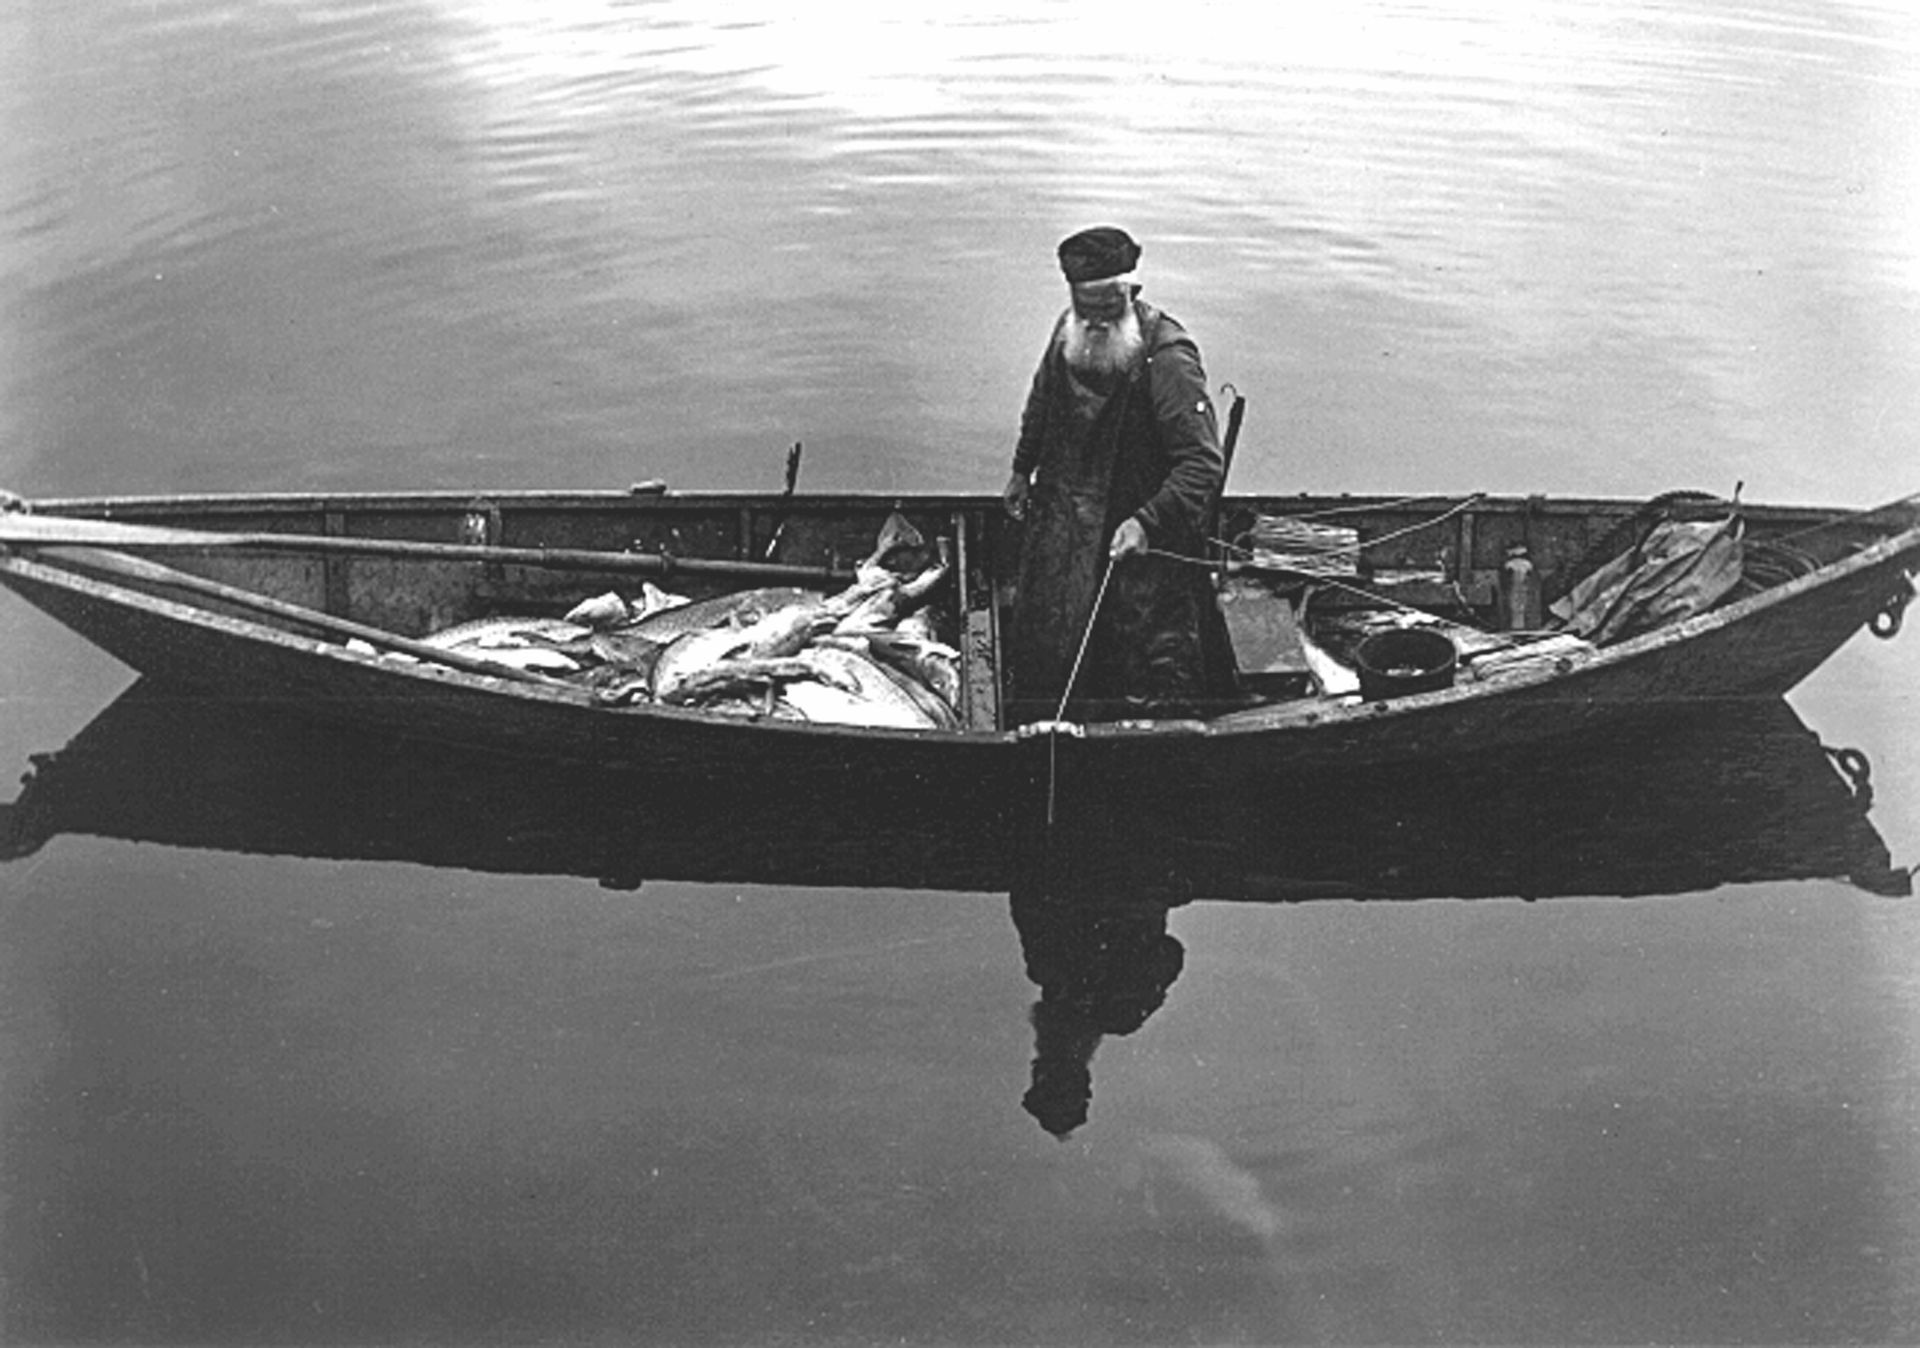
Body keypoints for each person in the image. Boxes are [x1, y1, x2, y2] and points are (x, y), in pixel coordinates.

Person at [1003, 226, 1227, 722]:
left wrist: (1147, 521)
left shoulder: (1166, 355)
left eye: (1111, 306)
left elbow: (1202, 463)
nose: (1099, 320)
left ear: (1130, 290)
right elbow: (1041, 403)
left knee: (1146, 667)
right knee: (1055, 645)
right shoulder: (1067, 331)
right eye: (1089, 308)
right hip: (1068, 528)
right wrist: (1022, 469)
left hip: (1140, 541)